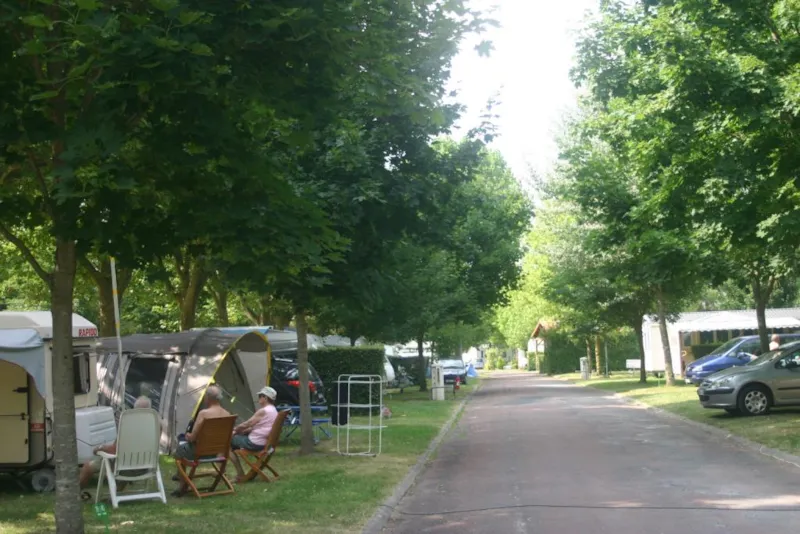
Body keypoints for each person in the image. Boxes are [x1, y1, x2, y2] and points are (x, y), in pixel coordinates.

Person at [79, 396, 151, 489]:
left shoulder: (128, 425)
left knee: (88, 466)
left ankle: (76, 492)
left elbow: (114, 450)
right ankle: (118, 488)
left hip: (124, 468)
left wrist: (100, 448)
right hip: (145, 467)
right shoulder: (156, 425)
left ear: (134, 410)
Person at [229, 386, 279, 480]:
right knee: (236, 437)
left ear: (265, 397)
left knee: (227, 441)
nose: (258, 398)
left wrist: (234, 430)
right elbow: (260, 426)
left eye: (260, 396)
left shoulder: (263, 411)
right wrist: (240, 431)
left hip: (254, 443)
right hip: (266, 443)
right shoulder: (273, 410)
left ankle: (239, 473)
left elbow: (248, 423)